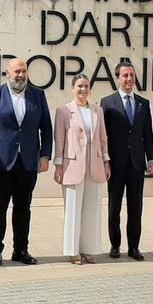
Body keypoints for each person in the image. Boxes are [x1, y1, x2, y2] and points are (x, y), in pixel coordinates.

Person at [0, 58, 53, 266]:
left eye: (24, 71)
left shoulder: (38, 95)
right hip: (1, 163)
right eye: (16, 71)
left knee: (23, 208)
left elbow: (46, 127)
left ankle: (21, 250)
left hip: (28, 162)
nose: (20, 75)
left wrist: (45, 155)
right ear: (7, 74)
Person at [101, 61, 153, 260]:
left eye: (132, 75)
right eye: (125, 76)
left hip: (136, 164)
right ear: (117, 78)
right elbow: (103, 135)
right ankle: (115, 245)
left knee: (136, 207)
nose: (129, 79)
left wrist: (151, 158)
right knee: (114, 207)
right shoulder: (107, 102)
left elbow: (148, 134)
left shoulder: (143, 103)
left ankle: (134, 247)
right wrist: (105, 161)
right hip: (116, 164)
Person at [53, 74, 110, 264]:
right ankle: (73, 250)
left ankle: (89, 249)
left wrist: (106, 161)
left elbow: (103, 138)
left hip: (94, 164)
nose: (83, 90)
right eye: (79, 86)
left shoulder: (97, 111)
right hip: (72, 165)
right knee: (73, 209)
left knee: (92, 209)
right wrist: (58, 165)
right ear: (72, 88)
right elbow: (59, 139)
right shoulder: (63, 111)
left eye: (86, 86)